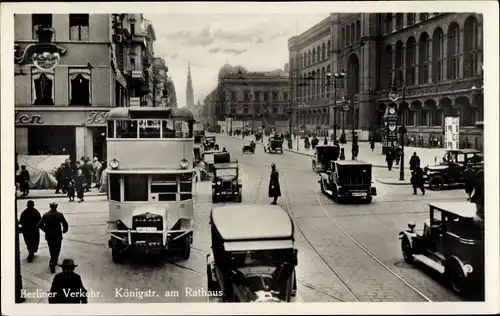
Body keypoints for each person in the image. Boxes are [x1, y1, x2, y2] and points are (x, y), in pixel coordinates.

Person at [37, 202, 69, 273]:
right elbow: (65, 224)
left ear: (50, 207)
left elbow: (39, 225)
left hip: (49, 235)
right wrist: (64, 230)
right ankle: (53, 261)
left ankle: (53, 260)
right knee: (57, 248)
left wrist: (45, 230)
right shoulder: (60, 215)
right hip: (58, 234)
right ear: (56, 207)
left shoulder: (46, 215)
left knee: (51, 248)